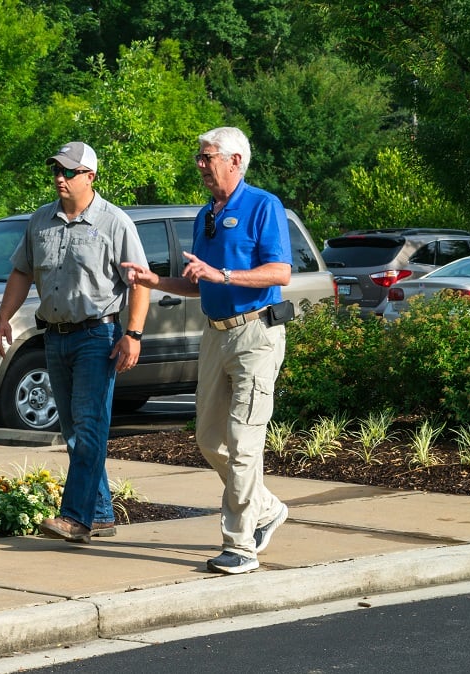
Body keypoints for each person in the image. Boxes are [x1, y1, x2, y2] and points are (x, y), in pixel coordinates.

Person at [123, 127, 291, 574]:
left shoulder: (263, 206)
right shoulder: (206, 215)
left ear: (236, 160)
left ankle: (240, 545)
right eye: (199, 156)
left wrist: (226, 276)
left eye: (207, 156)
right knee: (208, 438)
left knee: (242, 440)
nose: (200, 163)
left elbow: (280, 273)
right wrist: (152, 280)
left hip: (256, 334)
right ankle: (267, 507)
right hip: (214, 335)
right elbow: (197, 283)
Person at [0, 141, 151, 544]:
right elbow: (21, 273)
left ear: (90, 176)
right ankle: (100, 514)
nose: (60, 178)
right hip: (55, 336)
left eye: (69, 171)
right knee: (76, 433)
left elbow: (139, 285)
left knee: (90, 426)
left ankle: (75, 517)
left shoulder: (115, 223)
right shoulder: (41, 221)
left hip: (99, 336)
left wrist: (132, 335)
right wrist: (2, 319)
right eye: (56, 171)